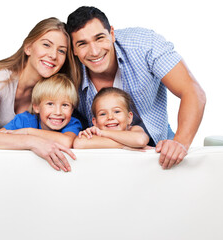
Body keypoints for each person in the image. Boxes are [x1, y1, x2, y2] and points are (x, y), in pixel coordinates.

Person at [66, 6, 206, 169]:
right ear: (73, 49)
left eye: (99, 38)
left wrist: (180, 143)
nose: (95, 51)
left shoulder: (144, 45)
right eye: (82, 44)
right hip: (100, 153)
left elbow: (192, 91)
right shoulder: (67, 70)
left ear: (112, 34)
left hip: (157, 148)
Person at [0, 17, 80, 172]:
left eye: (61, 51)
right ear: (28, 47)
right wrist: (32, 141)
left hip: (11, 133)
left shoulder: (51, 89)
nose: (53, 55)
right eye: (46, 44)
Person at [0, 73, 82, 149]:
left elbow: (66, 142)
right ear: (36, 107)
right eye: (50, 104)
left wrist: (28, 132)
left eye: (65, 105)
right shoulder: (24, 120)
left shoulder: (72, 123)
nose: (58, 112)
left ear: (72, 110)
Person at [73, 87, 149, 150]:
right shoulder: (93, 133)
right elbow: (78, 143)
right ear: (95, 122)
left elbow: (140, 141)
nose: (110, 117)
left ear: (129, 118)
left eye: (117, 111)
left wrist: (103, 133)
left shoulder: (133, 129)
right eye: (103, 114)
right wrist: (127, 145)